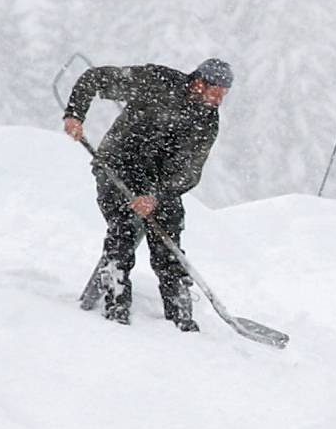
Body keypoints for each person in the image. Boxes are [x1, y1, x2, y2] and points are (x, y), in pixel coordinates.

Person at [61, 58, 233, 329]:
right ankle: (116, 303)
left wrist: (156, 196)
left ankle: (179, 310)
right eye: (214, 92)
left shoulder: (207, 121)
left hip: (158, 184)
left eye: (223, 95)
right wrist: (74, 115)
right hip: (117, 166)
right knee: (124, 229)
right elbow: (93, 78)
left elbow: (190, 173)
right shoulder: (157, 82)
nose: (217, 100)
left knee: (169, 235)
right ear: (199, 82)